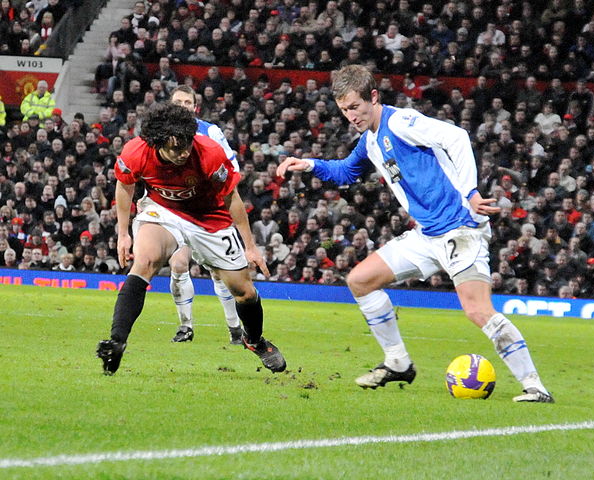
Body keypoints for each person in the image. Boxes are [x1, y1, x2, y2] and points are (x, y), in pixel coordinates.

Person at [277, 65, 552, 403]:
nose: (350, 116)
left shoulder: (401, 122)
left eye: (354, 108)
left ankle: (534, 386)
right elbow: (347, 171)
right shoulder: (371, 141)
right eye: (344, 110)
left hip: (459, 228)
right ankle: (397, 362)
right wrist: (309, 165)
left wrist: (471, 192)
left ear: (373, 97)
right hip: (427, 235)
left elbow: (457, 137)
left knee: (477, 309)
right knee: (361, 280)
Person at [97, 103, 286, 375]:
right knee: (145, 260)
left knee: (243, 291)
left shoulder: (208, 152)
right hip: (163, 210)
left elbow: (232, 198)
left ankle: (254, 341)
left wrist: (250, 246)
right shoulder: (136, 151)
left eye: (187, 144)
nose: (184, 152)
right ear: (157, 143)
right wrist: (123, 233)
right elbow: (125, 186)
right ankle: (117, 341)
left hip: (210, 217)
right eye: (176, 148)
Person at [166, 85, 243, 345]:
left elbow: (232, 167)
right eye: (178, 101)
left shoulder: (210, 132)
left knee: (217, 272)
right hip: (173, 210)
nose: (182, 106)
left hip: (207, 210)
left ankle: (234, 328)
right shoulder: (158, 130)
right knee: (178, 264)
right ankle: (185, 326)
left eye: (187, 102)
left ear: (195, 107)